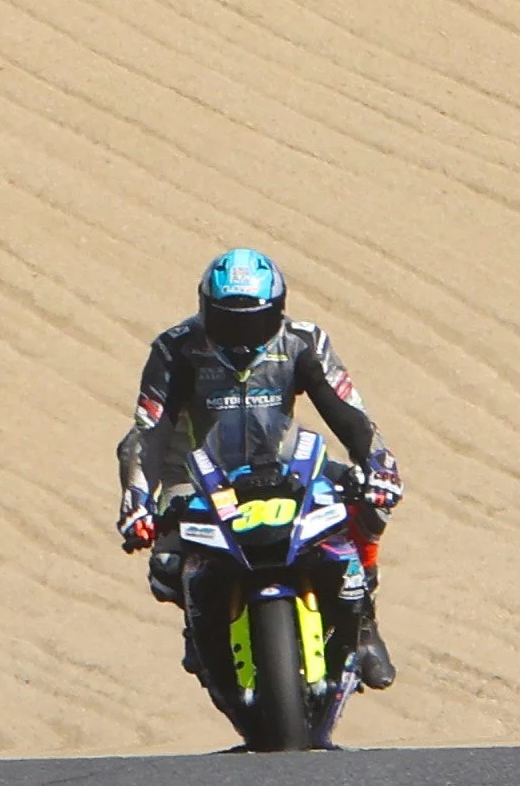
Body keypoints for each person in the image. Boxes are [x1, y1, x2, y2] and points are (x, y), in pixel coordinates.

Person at [114, 248, 404, 693]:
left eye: (253, 321)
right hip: (195, 473)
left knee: (369, 505)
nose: (241, 335)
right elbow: (149, 429)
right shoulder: (175, 349)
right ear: (205, 309)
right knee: (167, 566)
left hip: (287, 460)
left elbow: (349, 413)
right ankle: (201, 628)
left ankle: (364, 620)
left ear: (279, 309)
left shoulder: (303, 342)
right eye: (229, 321)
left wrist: (378, 465)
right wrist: (137, 500)